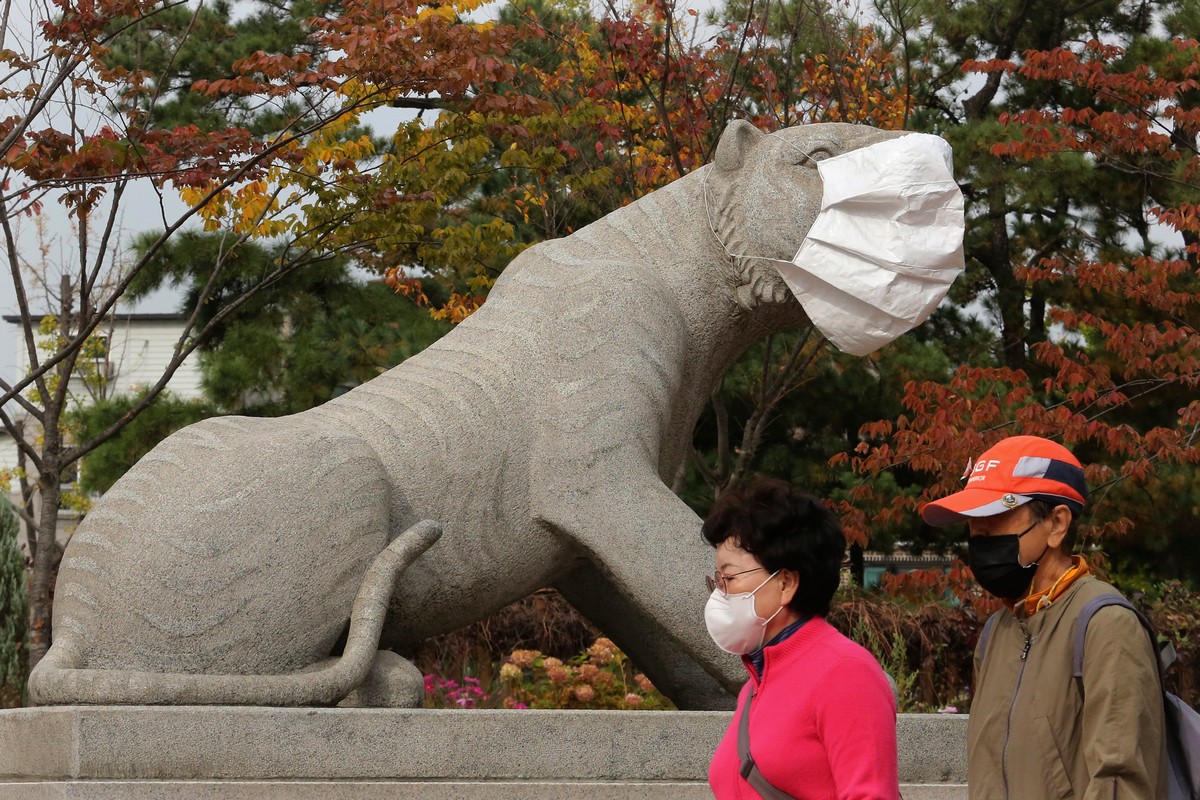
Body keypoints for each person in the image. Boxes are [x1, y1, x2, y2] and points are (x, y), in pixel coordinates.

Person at [921, 434, 1166, 800]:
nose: (980, 536)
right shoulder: (996, 630)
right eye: (973, 522)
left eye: (996, 516)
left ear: (1056, 524)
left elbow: (1120, 779)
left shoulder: (1105, 623)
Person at [703, 477, 900, 800]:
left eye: (730, 578)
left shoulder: (845, 673)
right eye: (718, 579)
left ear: (785, 583)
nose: (720, 593)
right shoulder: (756, 682)